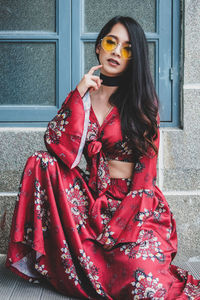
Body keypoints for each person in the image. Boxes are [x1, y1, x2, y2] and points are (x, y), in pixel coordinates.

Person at [6, 16, 200, 299]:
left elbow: (145, 179)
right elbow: (55, 145)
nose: (116, 51)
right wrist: (79, 92)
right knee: (41, 162)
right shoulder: (84, 97)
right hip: (90, 198)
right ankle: (48, 262)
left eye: (127, 48)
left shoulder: (142, 104)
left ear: (134, 59)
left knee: (142, 283)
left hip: (133, 204)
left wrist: (117, 227)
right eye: (111, 42)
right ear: (98, 47)